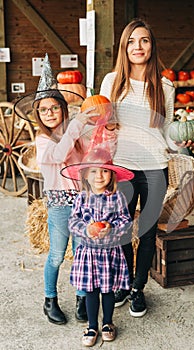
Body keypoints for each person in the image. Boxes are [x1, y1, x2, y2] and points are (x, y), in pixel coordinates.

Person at [100, 18, 194, 317]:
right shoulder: (112, 81)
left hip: (155, 167)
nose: (137, 47)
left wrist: (184, 139)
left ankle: (139, 288)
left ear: (152, 46)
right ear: (124, 47)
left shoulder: (164, 85)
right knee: (124, 231)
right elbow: (102, 124)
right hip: (122, 168)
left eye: (144, 41)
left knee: (149, 232)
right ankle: (124, 284)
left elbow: (166, 130)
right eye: (131, 41)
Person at [15, 53, 117, 325]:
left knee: (82, 251)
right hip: (59, 206)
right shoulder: (43, 141)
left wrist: (106, 132)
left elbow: (92, 157)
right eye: (44, 110)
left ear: (63, 108)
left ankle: (83, 297)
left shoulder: (74, 133)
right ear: (38, 113)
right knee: (58, 254)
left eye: (54, 108)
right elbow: (60, 155)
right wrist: (76, 126)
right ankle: (50, 299)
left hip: (83, 203)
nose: (50, 113)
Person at [61, 147, 134, 347]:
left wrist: (111, 227)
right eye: (93, 171)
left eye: (104, 170)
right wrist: (87, 230)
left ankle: (108, 323)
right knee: (91, 290)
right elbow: (73, 222)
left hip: (110, 252)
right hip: (88, 253)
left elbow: (126, 221)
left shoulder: (117, 198)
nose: (99, 176)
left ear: (111, 174)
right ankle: (92, 325)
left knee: (108, 290)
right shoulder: (81, 197)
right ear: (85, 175)